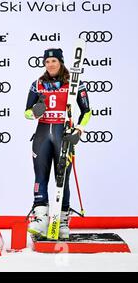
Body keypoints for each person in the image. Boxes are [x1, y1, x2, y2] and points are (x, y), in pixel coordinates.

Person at [25, 48, 91, 239]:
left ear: (60, 62)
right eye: (47, 61)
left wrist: (78, 129)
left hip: (64, 134)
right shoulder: (37, 84)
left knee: (63, 179)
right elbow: (26, 112)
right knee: (40, 175)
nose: (50, 64)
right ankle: (41, 218)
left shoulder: (75, 84)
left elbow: (87, 111)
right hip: (43, 133)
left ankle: (62, 220)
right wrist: (35, 111)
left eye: (54, 61)